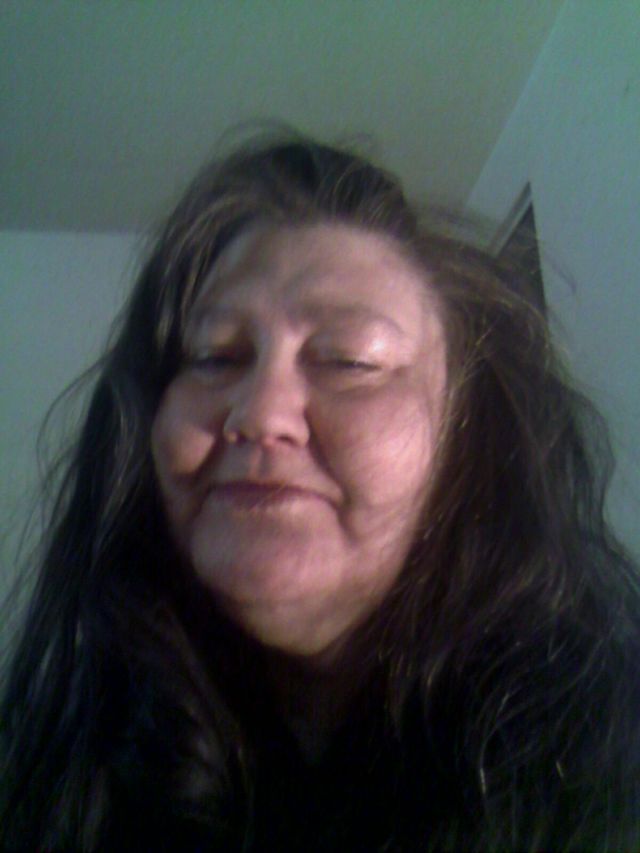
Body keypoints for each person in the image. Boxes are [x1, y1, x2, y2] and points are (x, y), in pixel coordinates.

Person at [1, 133, 639, 851]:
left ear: (469, 443)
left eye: (348, 360)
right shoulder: (68, 762)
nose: (257, 413)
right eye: (215, 356)